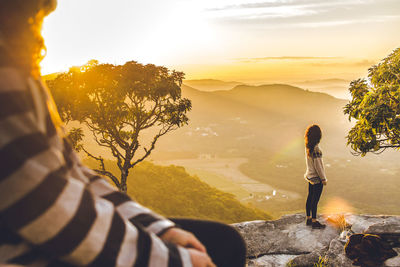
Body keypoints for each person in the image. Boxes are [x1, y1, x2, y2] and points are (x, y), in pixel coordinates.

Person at [0, 1, 246, 266]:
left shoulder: (18, 65)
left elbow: (74, 172)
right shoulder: (7, 76)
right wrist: (172, 260)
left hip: (45, 232)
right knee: (221, 248)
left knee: (222, 241)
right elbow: (43, 209)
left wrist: (160, 229)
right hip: (23, 251)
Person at [304, 124, 327, 229]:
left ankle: (308, 218)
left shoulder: (308, 146)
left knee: (309, 198)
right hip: (317, 178)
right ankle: (314, 221)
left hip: (310, 176)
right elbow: (318, 166)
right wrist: (323, 179)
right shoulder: (316, 149)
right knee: (315, 200)